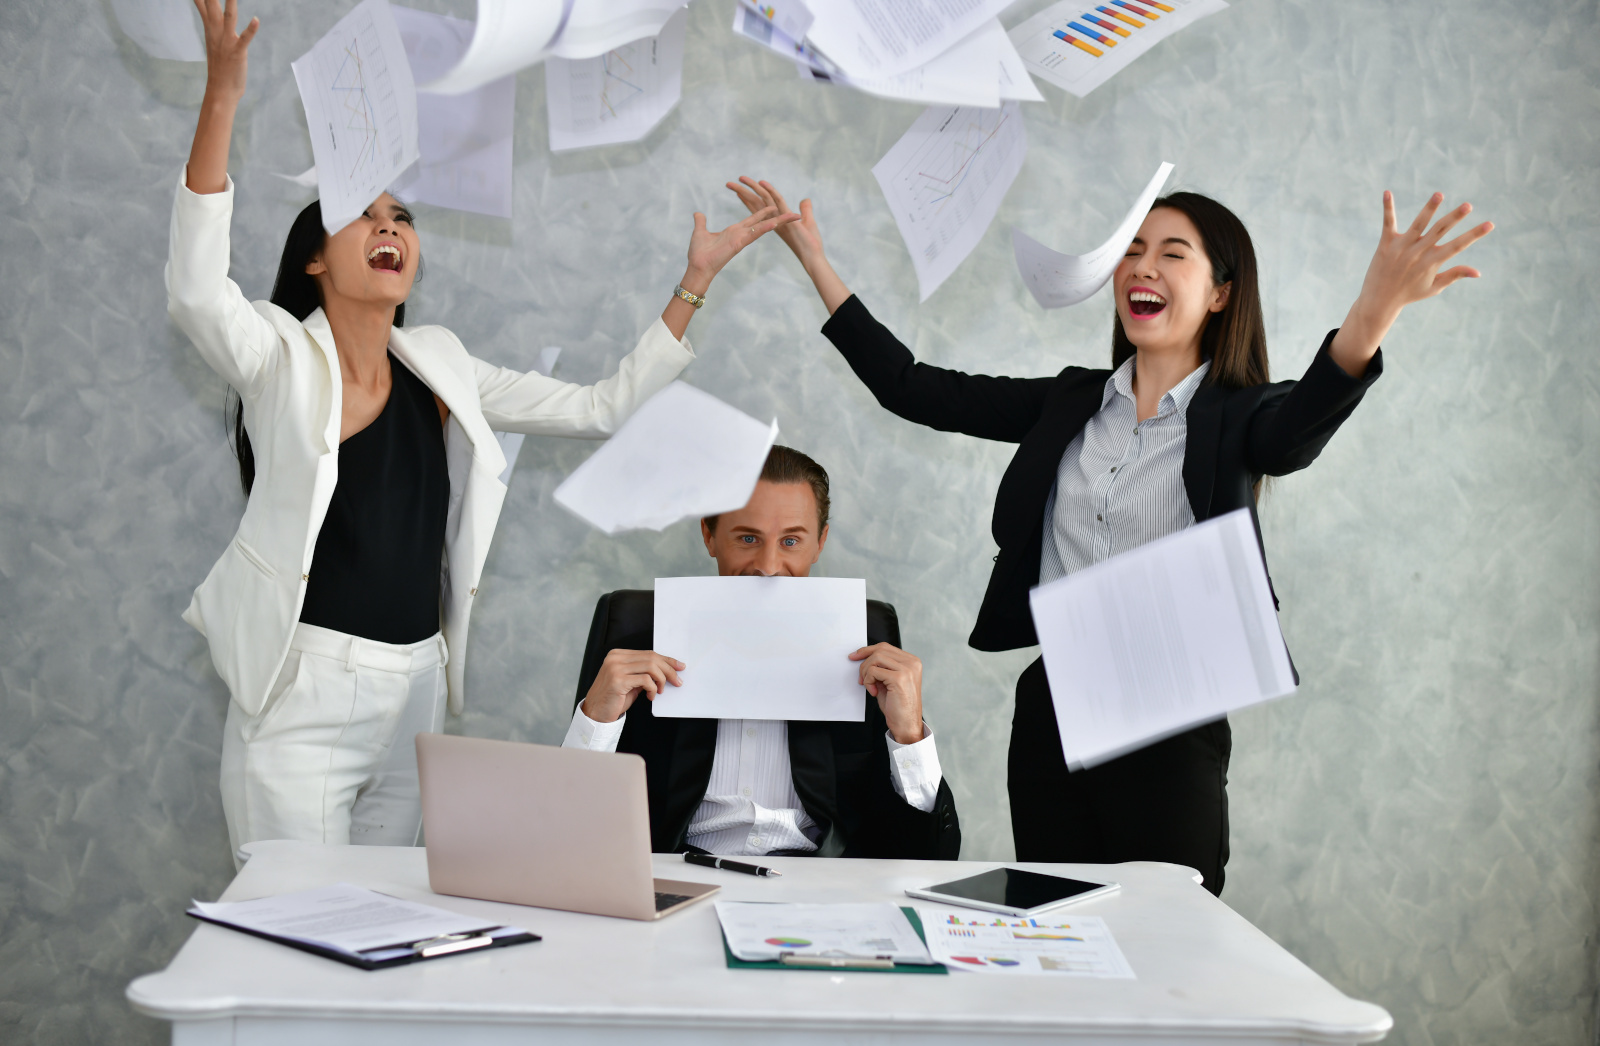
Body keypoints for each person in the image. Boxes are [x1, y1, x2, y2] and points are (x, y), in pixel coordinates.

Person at [729, 176, 1492, 894]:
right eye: (1133, 249)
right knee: (1059, 930)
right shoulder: (1070, 403)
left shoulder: (1241, 413)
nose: (1142, 266)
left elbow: (1296, 435)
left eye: (1171, 252)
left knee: (1166, 938)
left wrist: (1375, 309)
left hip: (1169, 714)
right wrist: (817, 262)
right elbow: (912, 386)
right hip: (1053, 707)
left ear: (1222, 292)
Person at [171, 0, 798, 863]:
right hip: (303, 691)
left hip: (417, 688)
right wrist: (222, 94)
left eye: (404, 217)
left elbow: (599, 406)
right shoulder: (279, 355)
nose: (390, 226)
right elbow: (200, 292)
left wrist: (693, 283)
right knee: (299, 924)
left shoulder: (441, 361)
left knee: (383, 919)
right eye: (365, 214)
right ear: (315, 258)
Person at [564, 446, 961, 860]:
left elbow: (932, 855)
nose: (768, 567)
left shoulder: (867, 649)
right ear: (709, 536)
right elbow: (564, 830)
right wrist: (596, 720)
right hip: (676, 870)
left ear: (820, 542)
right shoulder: (634, 635)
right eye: (748, 538)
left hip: (818, 883)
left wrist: (909, 736)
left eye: (790, 540)